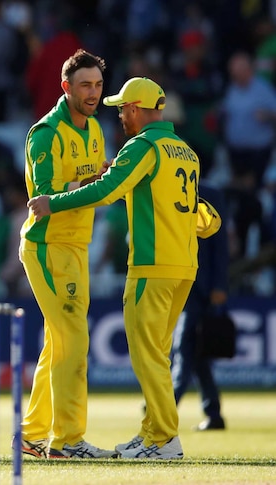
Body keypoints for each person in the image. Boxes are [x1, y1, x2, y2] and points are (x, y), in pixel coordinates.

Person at [28, 77, 199, 460]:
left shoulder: (142, 146)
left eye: (123, 108)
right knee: (160, 352)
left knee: (147, 355)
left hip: (152, 266)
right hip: (184, 265)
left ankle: (164, 439)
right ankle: (153, 430)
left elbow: (107, 190)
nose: (120, 114)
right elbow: (203, 214)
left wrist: (54, 201)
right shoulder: (185, 151)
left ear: (137, 110)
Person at [18, 49, 116, 460]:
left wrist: (100, 179)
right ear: (66, 88)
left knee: (58, 343)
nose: (92, 93)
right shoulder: (46, 133)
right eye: (84, 85)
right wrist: (96, 181)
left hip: (77, 246)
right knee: (73, 341)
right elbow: (45, 198)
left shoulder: (94, 129)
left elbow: (89, 184)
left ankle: (32, 434)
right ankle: (67, 441)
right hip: (47, 247)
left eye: (97, 85)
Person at [172, 184, 229, 431]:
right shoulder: (168, 189)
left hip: (200, 286)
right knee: (199, 353)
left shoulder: (211, 193)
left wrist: (219, 285)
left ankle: (165, 405)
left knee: (183, 345)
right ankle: (213, 412)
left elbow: (220, 242)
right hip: (180, 279)